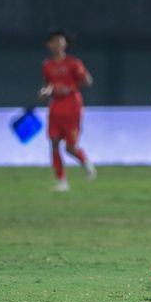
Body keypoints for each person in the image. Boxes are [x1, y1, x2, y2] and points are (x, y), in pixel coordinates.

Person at [38, 30, 96, 192]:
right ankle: (62, 181)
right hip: (55, 107)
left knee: (70, 147)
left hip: (72, 107)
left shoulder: (73, 63)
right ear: (49, 45)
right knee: (54, 143)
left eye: (60, 41)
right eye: (54, 41)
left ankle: (85, 162)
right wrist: (45, 92)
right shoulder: (47, 65)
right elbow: (47, 85)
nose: (57, 44)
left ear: (65, 44)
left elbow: (88, 80)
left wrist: (70, 88)